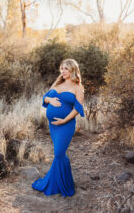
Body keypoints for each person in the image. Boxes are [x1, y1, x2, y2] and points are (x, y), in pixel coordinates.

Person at [31, 58, 85, 197]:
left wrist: (64, 120)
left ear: (73, 70)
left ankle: (62, 184)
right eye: (62, 68)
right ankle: (64, 181)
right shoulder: (57, 84)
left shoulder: (77, 88)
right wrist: (50, 100)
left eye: (66, 68)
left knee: (59, 153)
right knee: (60, 154)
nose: (63, 71)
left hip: (66, 125)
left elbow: (78, 108)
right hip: (53, 126)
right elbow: (45, 98)